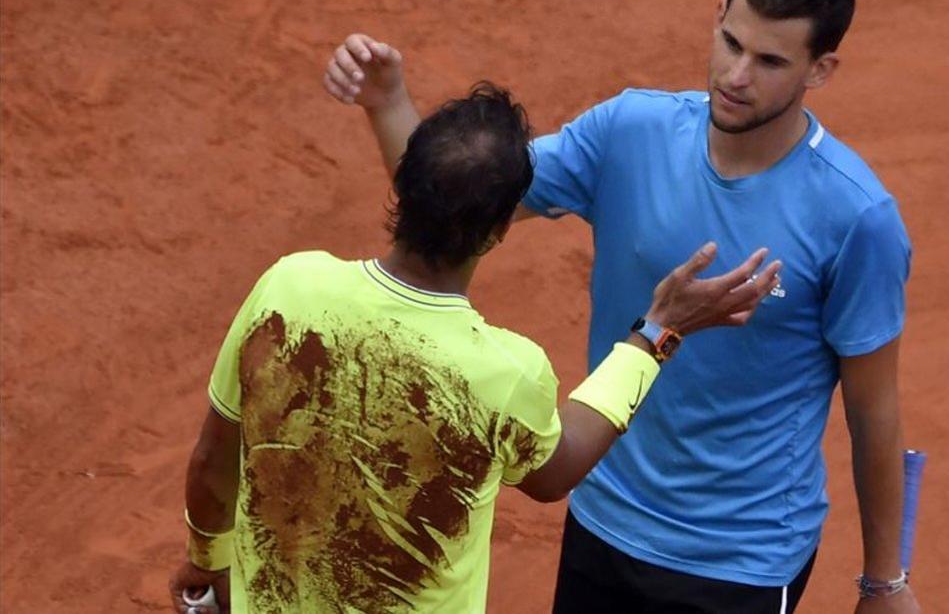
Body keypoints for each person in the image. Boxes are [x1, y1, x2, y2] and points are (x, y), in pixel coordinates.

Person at [325, 0, 920, 612]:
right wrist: (388, 101)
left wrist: (883, 580)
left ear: (821, 68)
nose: (736, 74)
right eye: (730, 41)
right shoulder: (629, 131)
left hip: (741, 558)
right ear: (718, 12)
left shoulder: (856, 217)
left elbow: (873, 409)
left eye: (770, 61)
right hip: (604, 518)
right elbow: (454, 198)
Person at [167, 83, 782, 613]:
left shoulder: (287, 287)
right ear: (497, 231)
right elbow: (555, 472)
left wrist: (205, 561)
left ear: (402, 189)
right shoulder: (502, 370)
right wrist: (656, 333)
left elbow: (212, 459)